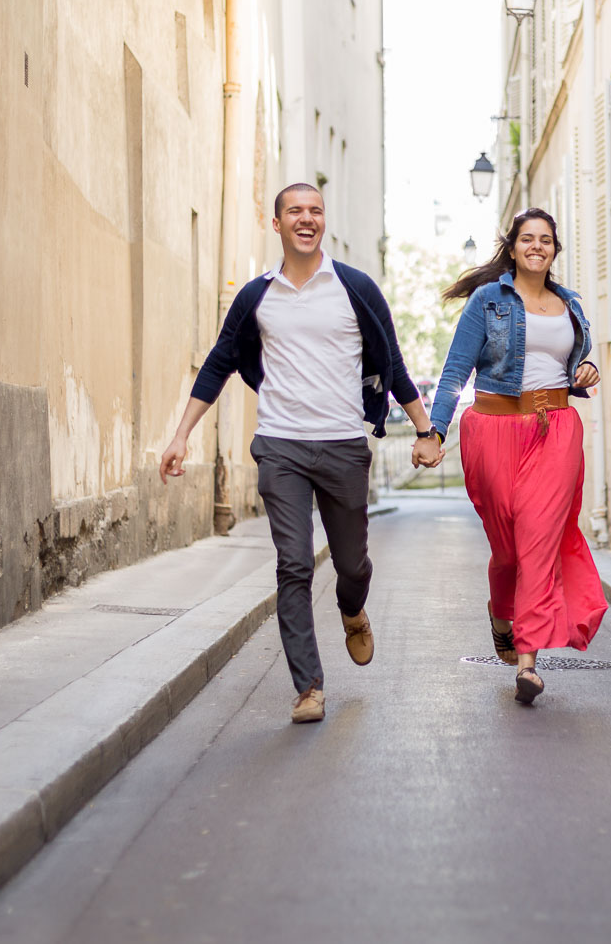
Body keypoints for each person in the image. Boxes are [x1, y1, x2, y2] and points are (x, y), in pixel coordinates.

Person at [160, 183, 438, 724]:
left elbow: (395, 365)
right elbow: (219, 364)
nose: (305, 219)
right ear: (277, 222)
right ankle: (308, 686)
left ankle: (352, 609)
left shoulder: (355, 288)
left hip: (342, 445)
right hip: (281, 445)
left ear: (323, 221)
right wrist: (180, 435)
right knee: (293, 563)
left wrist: (426, 432)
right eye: (295, 211)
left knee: (352, 564)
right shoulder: (257, 296)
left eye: (314, 211)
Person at [412, 207, 605, 705]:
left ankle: (528, 658)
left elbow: (574, 358)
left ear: (555, 250)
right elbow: (456, 369)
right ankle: (502, 611)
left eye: (545, 240)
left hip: (556, 427)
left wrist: (586, 369)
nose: (536, 246)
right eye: (527, 239)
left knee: (539, 537)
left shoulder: (570, 305)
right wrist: (433, 431)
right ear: (513, 247)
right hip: (494, 428)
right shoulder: (488, 301)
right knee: (509, 546)